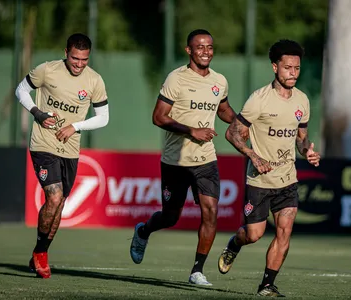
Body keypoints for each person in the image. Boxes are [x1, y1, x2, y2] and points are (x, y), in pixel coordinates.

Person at [130, 29, 236, 286]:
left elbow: (222, 109)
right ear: (189, 50)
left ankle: (197, 271)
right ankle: (143, 231)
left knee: (210, 212)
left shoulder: (219, 81)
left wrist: (241, 122)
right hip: (175, 161)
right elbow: (158, 117)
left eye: (209, 47)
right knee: (171, 216)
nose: (206, 51)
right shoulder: (176, 79)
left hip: (206, 160)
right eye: (200, 47)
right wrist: (192, 131)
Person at [217, 39, 320, 297]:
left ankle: (266, 285)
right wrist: (253, 155)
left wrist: (307, 151)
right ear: (275, 67)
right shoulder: (259, 100)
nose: (293, 73)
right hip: (260, 181)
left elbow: (301, 137)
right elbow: (232, 134)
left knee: (285, 231)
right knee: (254, 234)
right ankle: (234, 244)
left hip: (288, 179)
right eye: (287, 68)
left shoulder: (302, 100)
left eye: (297, 68)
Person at [15, 33, 109, 279]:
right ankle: (42, 256)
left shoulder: (95, 81)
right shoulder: (47, 70)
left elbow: (103, 118)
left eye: (84, 60)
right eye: (75, 58)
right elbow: (21, 90)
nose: (79, 64)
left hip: (70, 149)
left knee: (60, 204)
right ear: (66, 51)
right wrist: (37, 112)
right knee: (54, 197)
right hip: (43, 144)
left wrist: (75, 127)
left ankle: (39, 251)